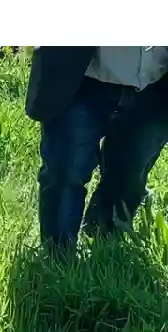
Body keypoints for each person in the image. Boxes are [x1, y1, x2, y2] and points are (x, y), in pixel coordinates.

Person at [24, 46, 168, 254]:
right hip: (80, 74)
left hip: (157, 82)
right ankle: (56, 260)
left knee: (129, 177)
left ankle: (104, 247)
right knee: (65, 171)